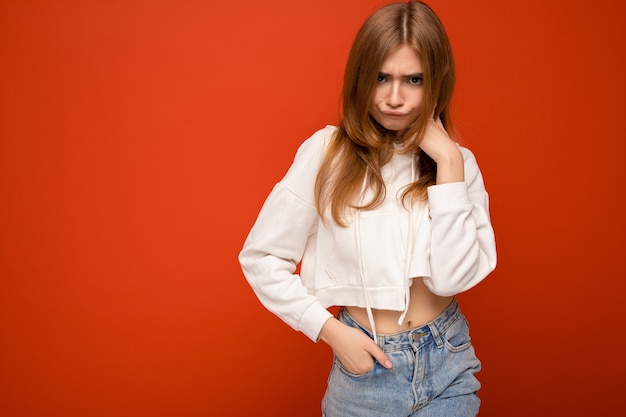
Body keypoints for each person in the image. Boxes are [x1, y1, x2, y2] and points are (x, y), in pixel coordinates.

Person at [238, 1, 497, 415]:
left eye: (414, 79)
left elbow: (451, 280)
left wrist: (449, 163)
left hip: (449, 360)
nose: (395, 98)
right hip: (366, 374)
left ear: (436, 83)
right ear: (361, 77)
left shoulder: (457, 163)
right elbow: (261, 256)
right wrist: (329, 330)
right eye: (381, 78)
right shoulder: (326, 153)